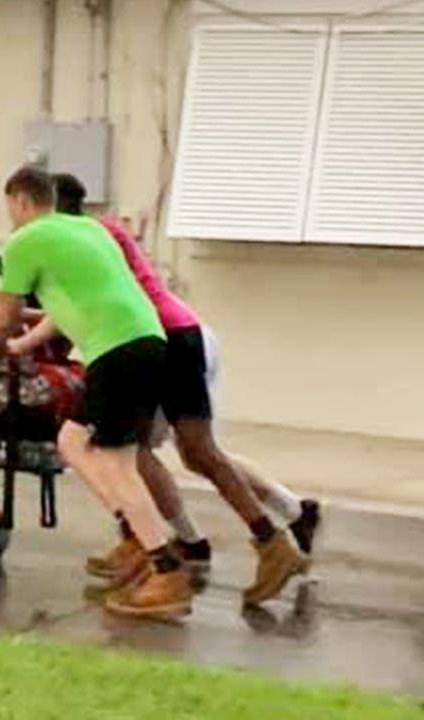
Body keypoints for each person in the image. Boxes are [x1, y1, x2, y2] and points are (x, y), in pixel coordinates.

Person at [30, 173, 315, 606]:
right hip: (171, 334)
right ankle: (254, 539)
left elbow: (101, 304)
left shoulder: (84, 240)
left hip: (159, 338)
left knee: (142, 449)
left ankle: (171, 548)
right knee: (175, 451)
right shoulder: (97, 234)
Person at [0, 166, 191, 619]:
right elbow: (68, 305)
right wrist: (20, 345)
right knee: (72, 440)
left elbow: (5, 312)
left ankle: (165, 569)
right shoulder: (88, 229)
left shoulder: (24, 241)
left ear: (20, 201)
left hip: (117, 350)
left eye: (10, 207)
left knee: (116, 463)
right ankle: (137, 534)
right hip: (143, 340)